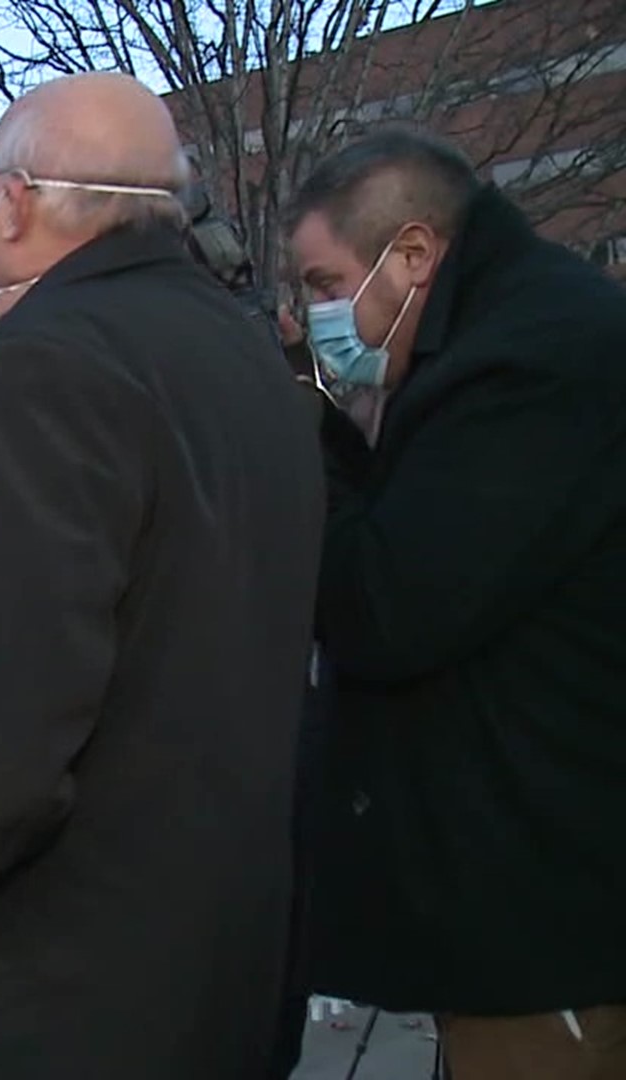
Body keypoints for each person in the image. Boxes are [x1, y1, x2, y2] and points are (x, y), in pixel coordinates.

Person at [0, 72, 325, 1079]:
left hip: (42, 996)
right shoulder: (246, 359)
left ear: (18, 199)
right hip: (215, 979)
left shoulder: (36, 376)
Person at [284, 128, 626, 1078]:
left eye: (322, 283)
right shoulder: (511, 338)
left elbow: (390, 604)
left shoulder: (533, 364)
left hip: (548, 933)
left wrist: (299, 437)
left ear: (415, 254)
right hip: (524, 908)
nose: (312, 314)